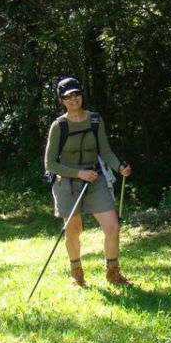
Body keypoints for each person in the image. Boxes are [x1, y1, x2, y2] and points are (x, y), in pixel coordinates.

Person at [44, 77, 133, 287]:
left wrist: (119, 166)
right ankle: (77, 275)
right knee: (73, 231)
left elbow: (106, 151)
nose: (74, 99)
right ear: (61, 100)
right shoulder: (59, 126)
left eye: (77, 94)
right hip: (67, 183)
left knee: (112, 226)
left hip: (95, 180)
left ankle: (113, 273)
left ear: (81, 95)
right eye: (68, 96)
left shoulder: (95, 120)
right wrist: (78, 174)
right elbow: (50, 164)